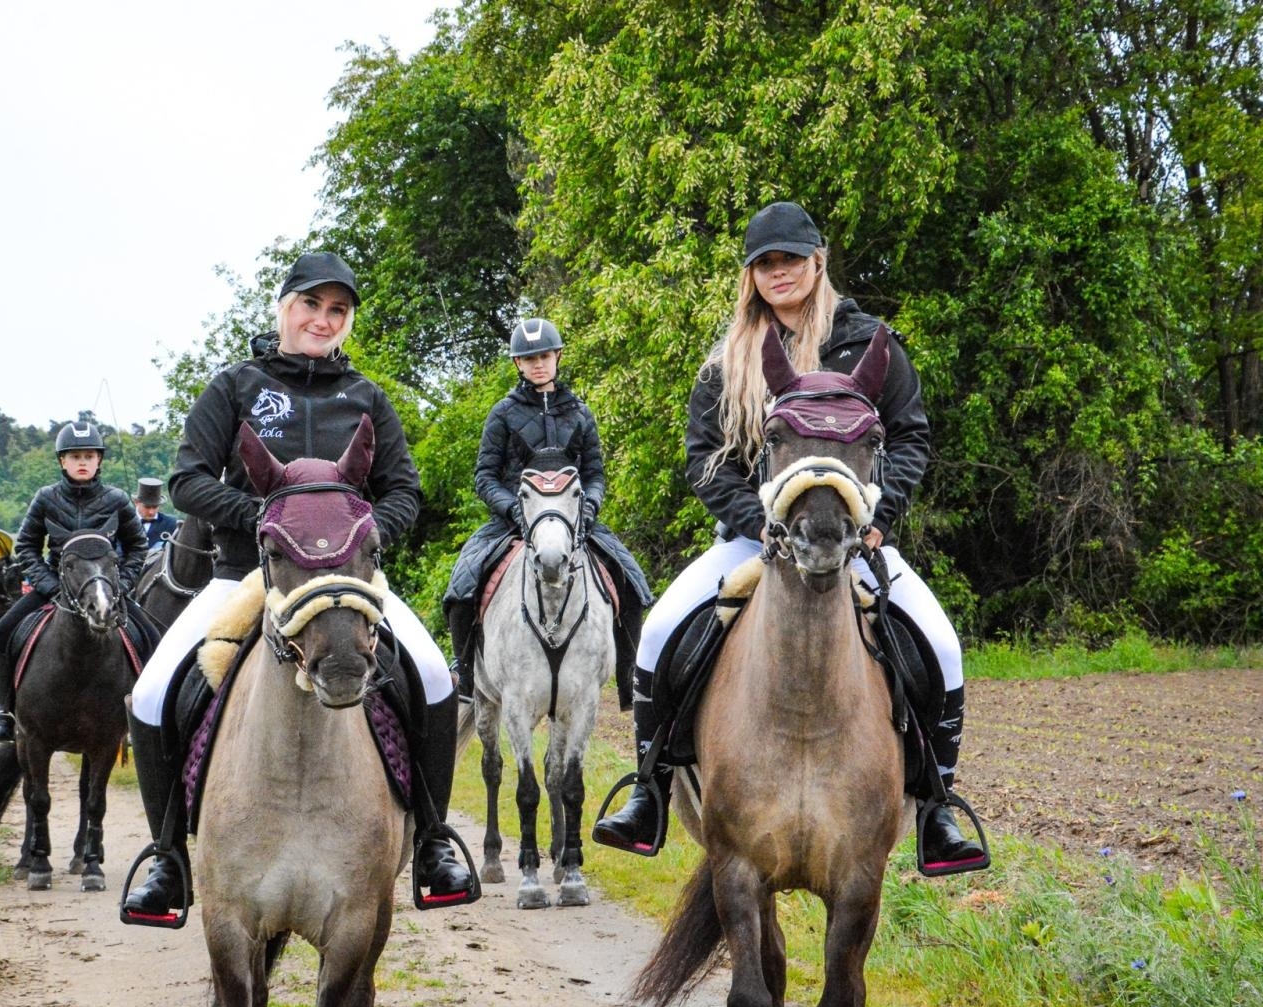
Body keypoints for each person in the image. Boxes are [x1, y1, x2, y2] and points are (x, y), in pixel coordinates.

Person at [592, 201, 985, 869]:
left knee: (942, 645)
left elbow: (910, 437)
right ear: (751, 275)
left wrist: (878, 519)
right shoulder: (727, 361)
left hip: (855, 538)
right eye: (765, 263)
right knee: (656, 633)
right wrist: (759, 522)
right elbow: (704, 459)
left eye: (791, 259)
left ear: (817, 262)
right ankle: (649, 792)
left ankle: (937, 807)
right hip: (755, 540)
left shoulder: (871, 345)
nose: (780, 272)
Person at [123, 250, 477, 918]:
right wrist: (264, 520)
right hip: (245, 575)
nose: (323, 318)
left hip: (348, 578)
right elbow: (187, 480)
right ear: (285, 308)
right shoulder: (236, 386)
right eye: (311, 304)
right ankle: (168, 857)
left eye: (337, 309)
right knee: (150, 692)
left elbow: (403, 491)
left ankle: (433, 840)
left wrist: (357, 532)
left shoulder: (366, 396)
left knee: (434, 676)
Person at [443, 317, 653, 714]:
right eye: (529, 358)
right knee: (461, 586)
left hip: (574, 522)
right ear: (518, 364)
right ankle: (467, 677)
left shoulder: (580, 413)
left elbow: (595, 475)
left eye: (544, 356)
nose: (538, 364)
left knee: (633, 583)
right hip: (512, 522)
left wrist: (588, 508)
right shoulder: (503, 413)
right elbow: (485, 477)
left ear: (557, 357)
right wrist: (514, 510)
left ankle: (629, 679)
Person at [0, 421, 150, 742]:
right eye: (75, 456)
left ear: (99, 460)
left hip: (104, 588)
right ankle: (4, 712)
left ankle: (143, 714)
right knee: (4, 630)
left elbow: (137, 547)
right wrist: (50, 586)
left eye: (89, 456)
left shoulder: (117, 499)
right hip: (57, 586)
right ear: (62, 461)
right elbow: (26, 546)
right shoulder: (45, 498)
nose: (82, 462)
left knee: (152, 636)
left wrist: (120, 586)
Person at [135, 477, 179, 555]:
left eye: (155, 507)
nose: (151, 512)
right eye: (147, 507)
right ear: (137, 502)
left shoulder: (172, 524)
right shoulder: (124, 522)